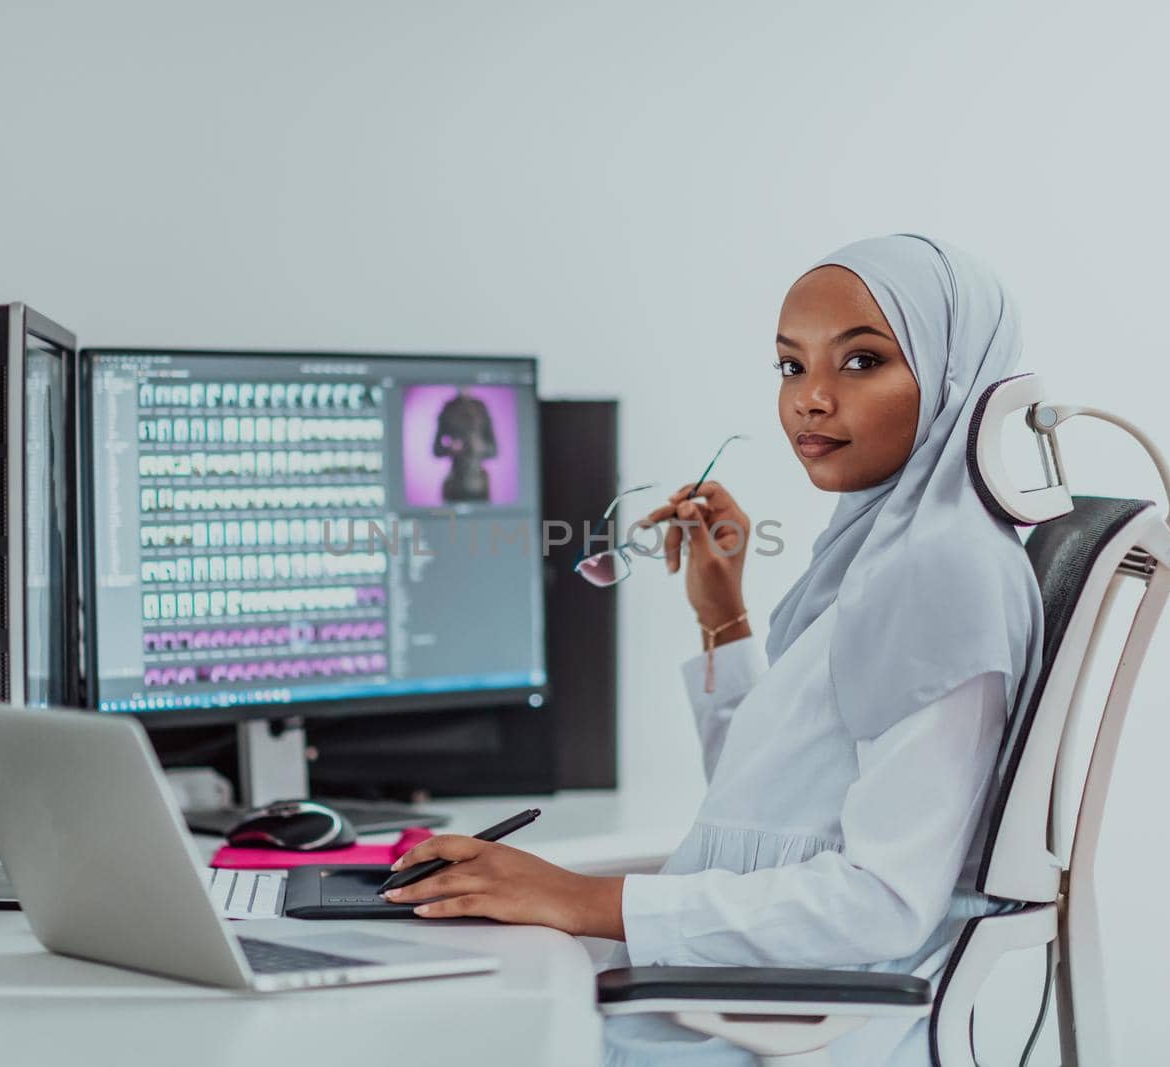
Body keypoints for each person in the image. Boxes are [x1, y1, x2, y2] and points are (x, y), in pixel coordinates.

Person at [382, 234, 1045, 1065]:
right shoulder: (885, 553)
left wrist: (584, 899)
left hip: (778, 1027)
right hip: (738, 998)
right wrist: (722, 615)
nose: (811, 399)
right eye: (790, 366)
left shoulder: (944, 571)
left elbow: (882, 901)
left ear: (955, 377)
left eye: (862, 361)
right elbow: (769, 800)